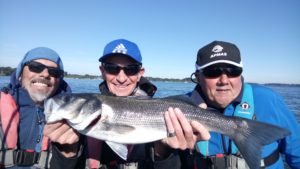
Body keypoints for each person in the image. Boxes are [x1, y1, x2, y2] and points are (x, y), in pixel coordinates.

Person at [44, 39, 210, 169]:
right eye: (112, 68)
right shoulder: (73, 127)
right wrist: (67, 152)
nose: (121, 78)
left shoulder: (168, 113)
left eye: (130, 70)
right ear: (102, 71)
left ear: (140, 73)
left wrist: (164, 152)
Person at [180, 40, 300, 169]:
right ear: (198, 77)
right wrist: (162, 152)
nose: (224, 80)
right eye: (213, 72)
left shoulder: (268, 99)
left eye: (233, 71)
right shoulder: (177, 108)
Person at [0, 47, 75, 168]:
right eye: (35, 67)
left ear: (59, 81)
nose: (45, 74)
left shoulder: (74, 116)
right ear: (20, 74)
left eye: (54, 72)